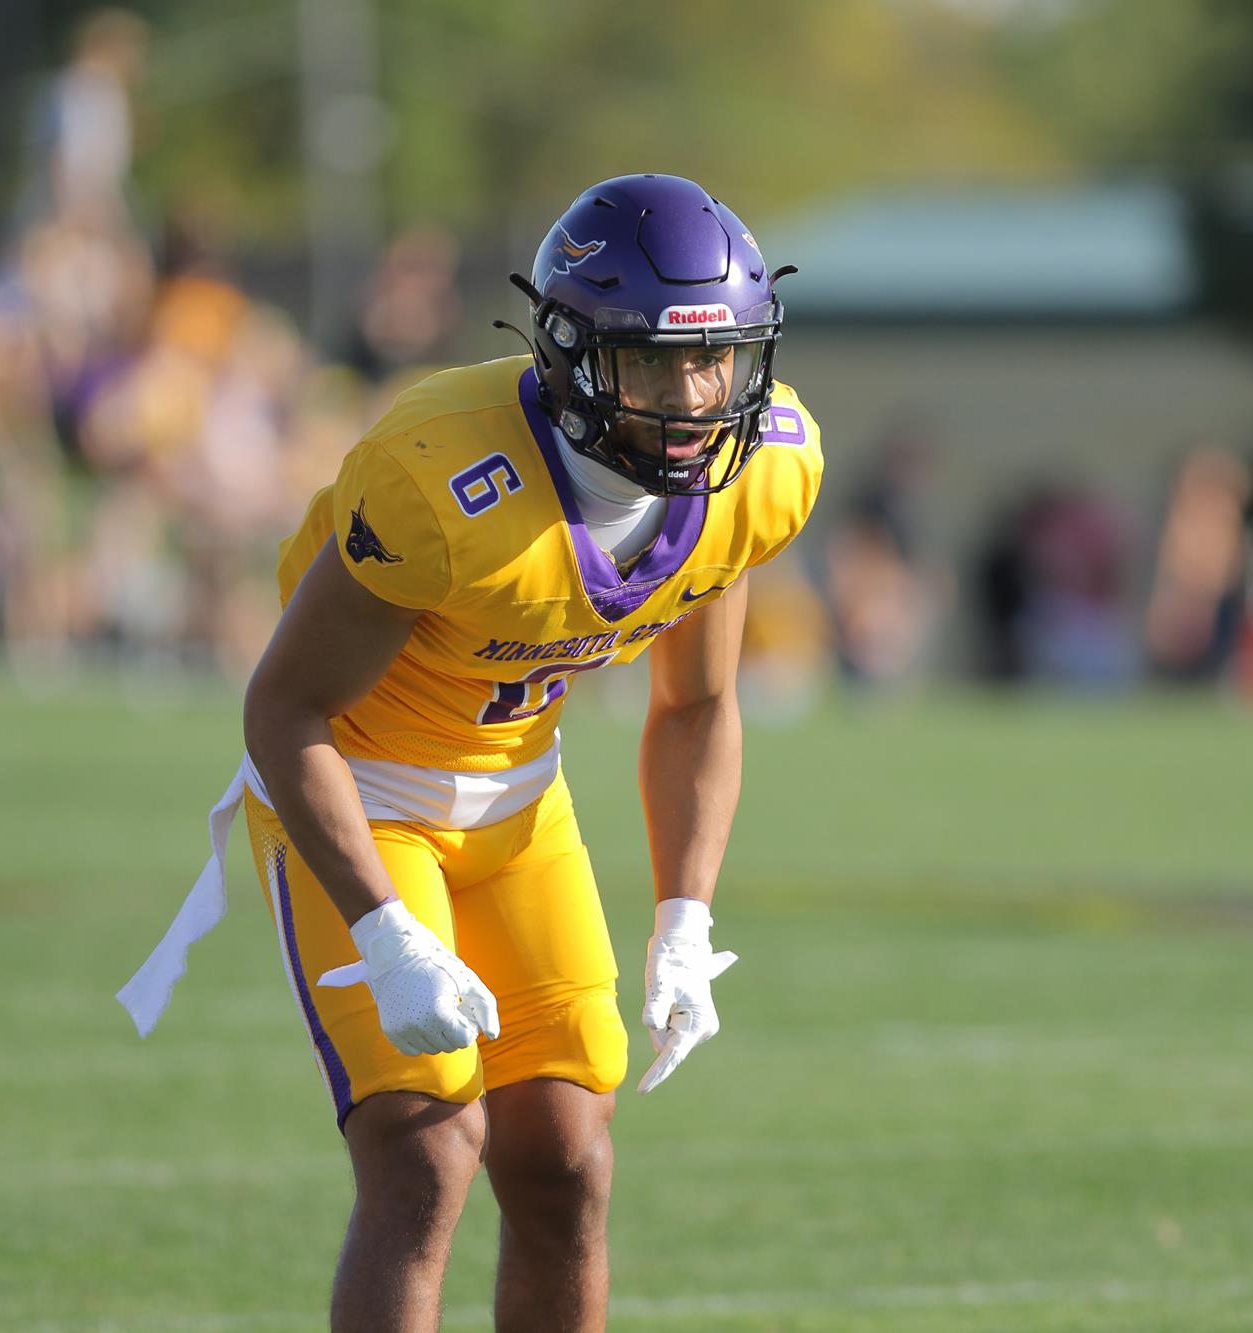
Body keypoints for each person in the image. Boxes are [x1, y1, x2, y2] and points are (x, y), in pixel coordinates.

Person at [117, 174, 822, 1331]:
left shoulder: (762, 471)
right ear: (575, 356)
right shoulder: (442, 478)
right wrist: (384, 933)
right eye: (654, 363)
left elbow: (695, 705)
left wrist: (684, 920)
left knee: (565, 1162)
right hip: (359, 791)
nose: (697, 399)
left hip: (517, 805)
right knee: (427, 1152)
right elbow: (283, 710)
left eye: (719, 361)